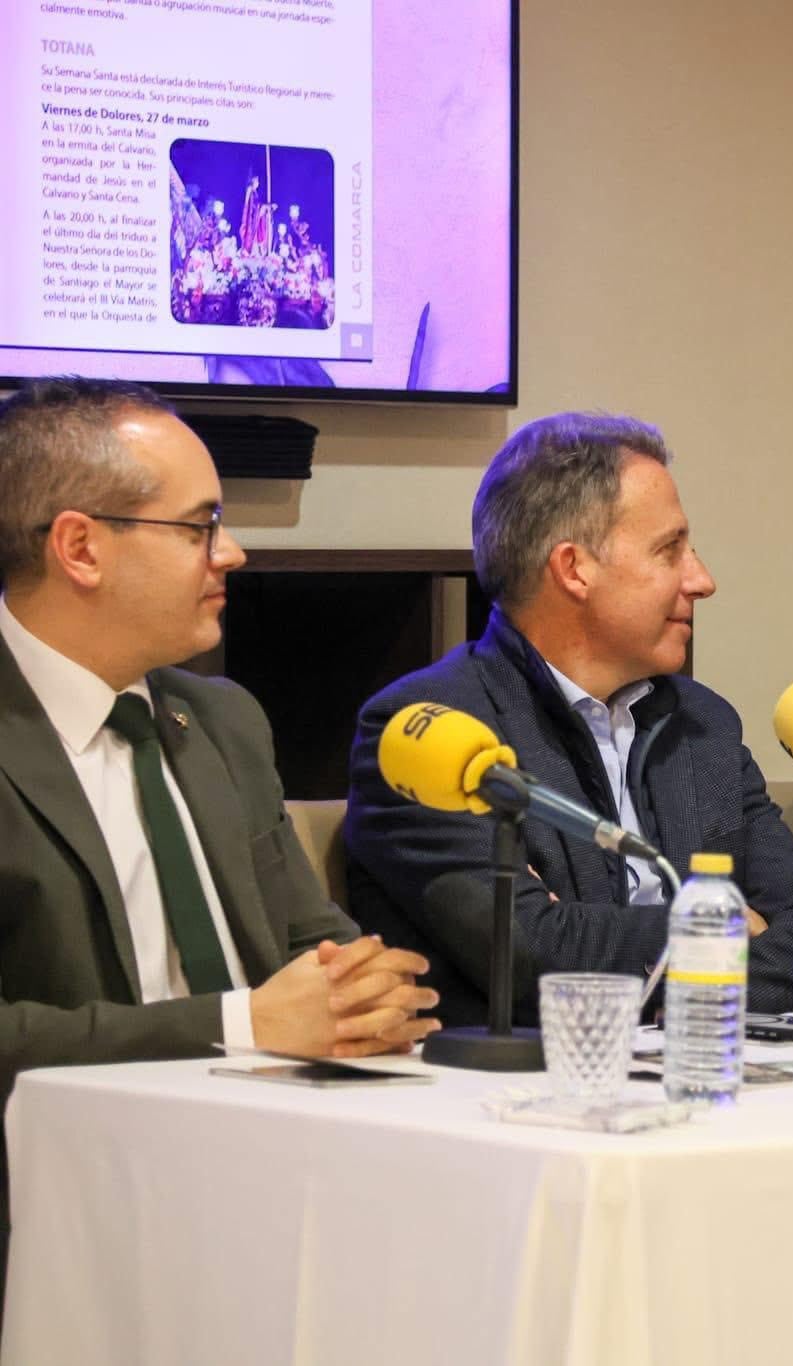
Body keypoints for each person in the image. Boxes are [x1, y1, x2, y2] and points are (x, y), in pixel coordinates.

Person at [0, 378, 438, 1265]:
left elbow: (314, 945)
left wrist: (366, 992)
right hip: (55, 1204)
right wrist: (242, 1025)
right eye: (199, 527)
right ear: (80, 547)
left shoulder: (224, 721)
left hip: (273, 1167)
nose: (231, 553)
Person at [344, 413, 793, 1025]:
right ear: (573, 569)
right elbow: (532, 952)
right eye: (670, 550)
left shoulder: (702, 725)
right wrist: (721, 930)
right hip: (519, 1101)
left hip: (714, 1075)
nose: (703, 580)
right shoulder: (431, 732)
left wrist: (652, 972)